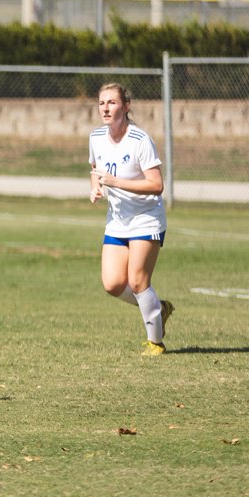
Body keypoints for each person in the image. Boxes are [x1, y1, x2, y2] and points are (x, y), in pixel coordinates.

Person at [89, 82, 174, 355]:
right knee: (113, 284)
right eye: (102, 103)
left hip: (146, 219)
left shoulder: (140, 140)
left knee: (138, 282)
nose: (105, 108)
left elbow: (156, 185)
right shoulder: (96, 137)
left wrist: (116, 181)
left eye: (112, 102)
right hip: (117, 221)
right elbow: (95, 169)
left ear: (126, 107)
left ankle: (156, 343)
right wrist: (96, 187)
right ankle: (158, 308)